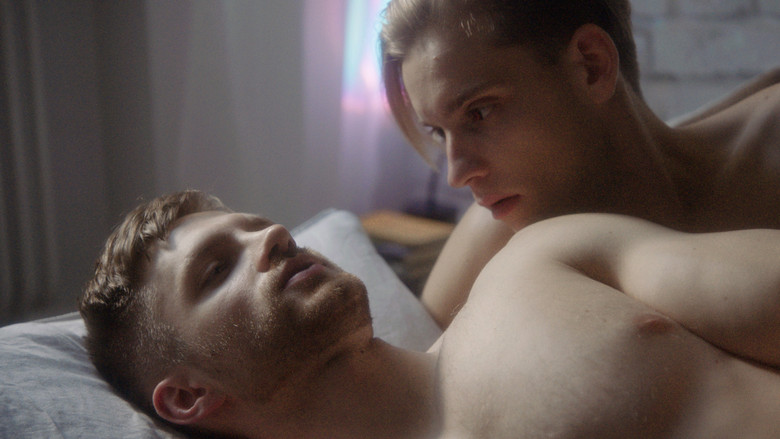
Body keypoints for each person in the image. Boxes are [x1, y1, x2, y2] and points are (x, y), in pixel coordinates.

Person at [80, 189, 780, 439]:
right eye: (216, 270)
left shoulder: (536, 267)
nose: (275, 237)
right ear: (188, 395)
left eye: (258, 226)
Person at [380, 0, 780, 328]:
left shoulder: (766, 160)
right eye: (438, 132)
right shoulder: (494, 233)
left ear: (592, 65)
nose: (456, 175)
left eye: (480, 113)